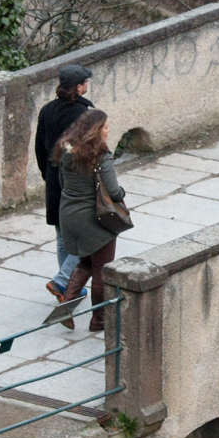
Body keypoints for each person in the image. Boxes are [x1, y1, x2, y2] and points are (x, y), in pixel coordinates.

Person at [55, 109, 125, 333]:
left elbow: (62, 182)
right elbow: (113, 190)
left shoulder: (66, 151)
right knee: (101, 270)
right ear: (95, 131)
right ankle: (99, 319)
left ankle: (66, 306)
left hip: (69, 215)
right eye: (105, 127)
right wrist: (123, 193)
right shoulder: (101, 156)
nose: (108, 130)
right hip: (95, 220)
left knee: (85, 262)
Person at [34, 64, 93, 306]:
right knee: (88, 235)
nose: (87, 85)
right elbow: (90, 151)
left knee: (62, 237)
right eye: (85, 82)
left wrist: (48, 175)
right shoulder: (86, 114)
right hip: (76, 181)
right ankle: (64, 281)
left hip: (53, 179)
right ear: (79, 87)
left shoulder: (47, 110)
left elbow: (39, 147)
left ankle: (68, 289)